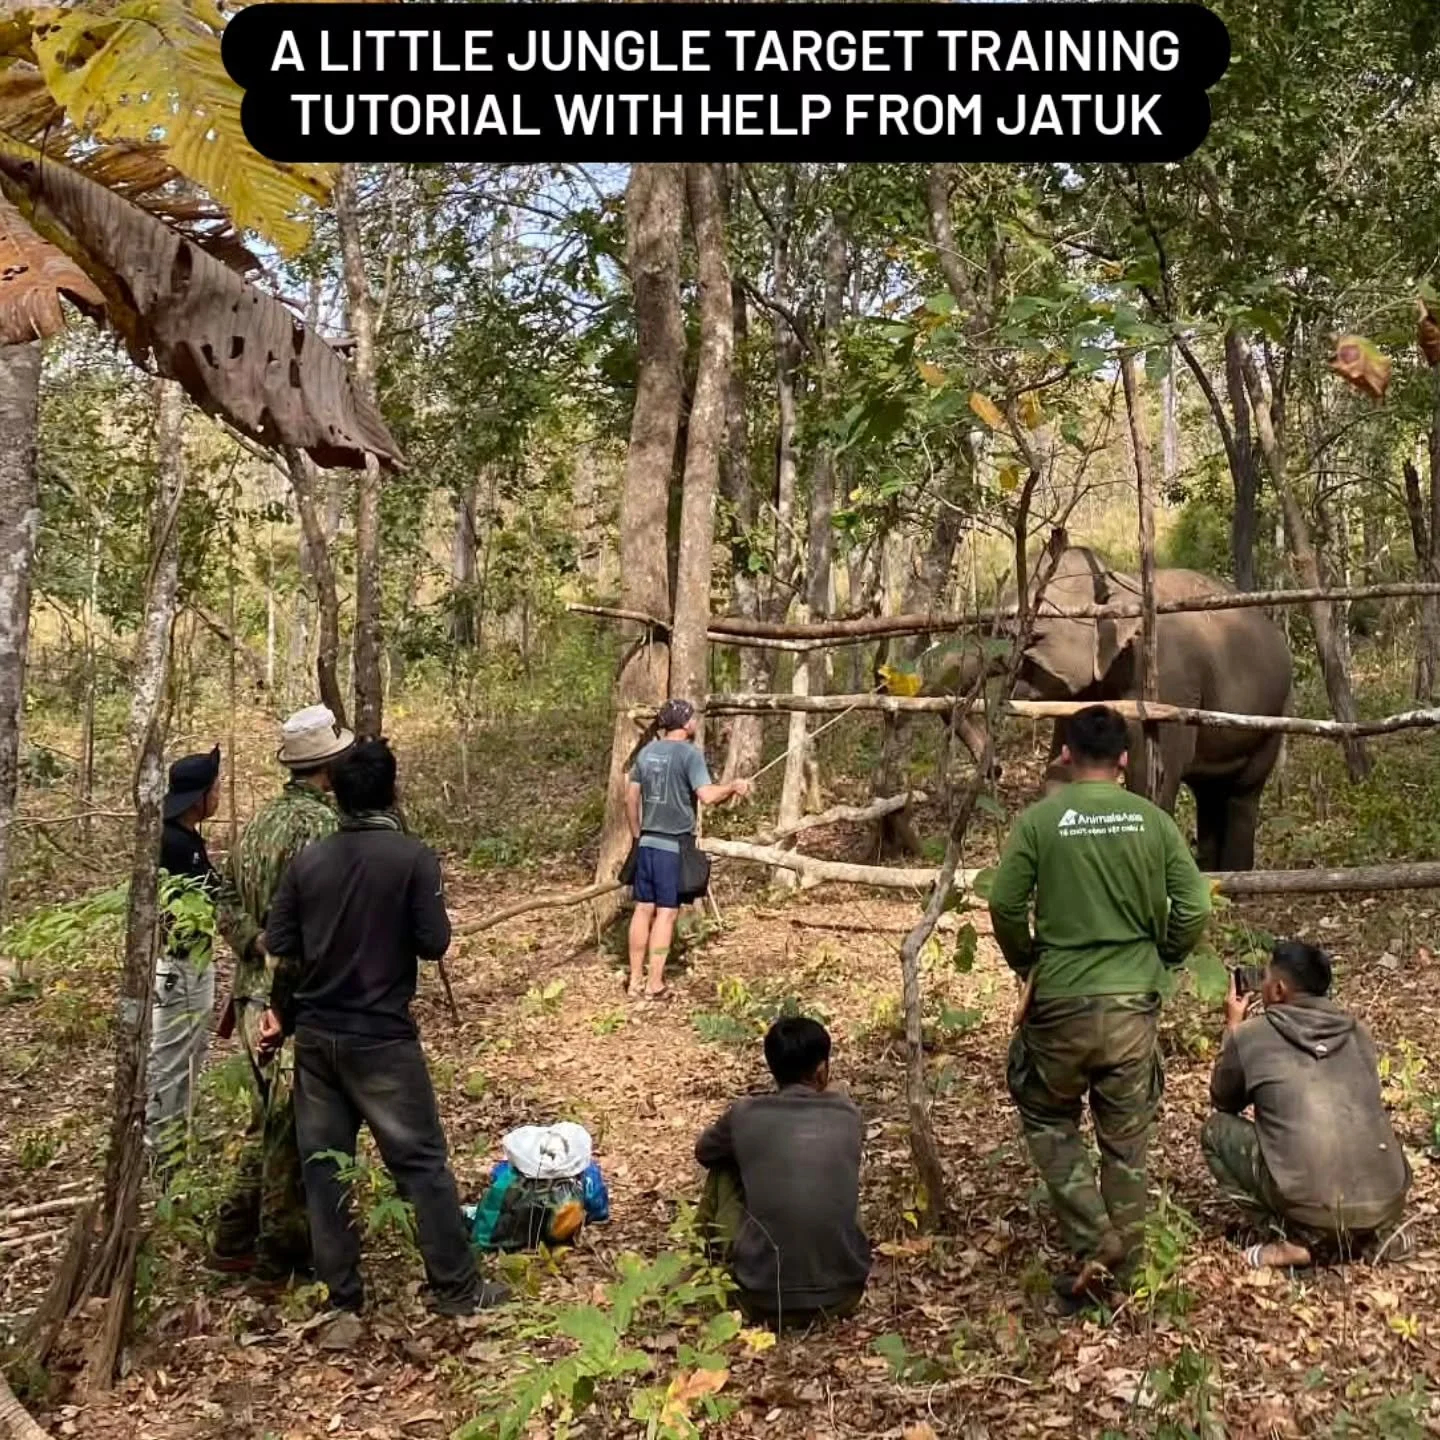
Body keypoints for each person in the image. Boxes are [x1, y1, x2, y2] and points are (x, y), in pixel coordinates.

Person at [262, 738, 507, 1322]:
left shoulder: (309, 862)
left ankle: (342, 1303)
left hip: (318, 1040)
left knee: (326, 1169)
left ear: (337, 794)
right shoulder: (412, 858)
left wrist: (283, 1015)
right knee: (420, 1166)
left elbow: (282, 948)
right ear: (392, 791)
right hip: (382, 1041)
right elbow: (435, 942)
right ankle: (457, 1289)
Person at [988, 704, 1212, 1307]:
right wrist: (1161, 958)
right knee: (1126, 1139)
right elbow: (1195, 907)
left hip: (1059, 1001)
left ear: (1065, 754)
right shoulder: (1153, 821)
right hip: (1132, 1006)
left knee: (1044, 1114)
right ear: (1124, 759)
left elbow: (1005, 906)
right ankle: (1129, 1276)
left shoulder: (1039, 821)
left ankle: (1094, 1235)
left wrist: (1028, 959)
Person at [209, 704, 353, 1280]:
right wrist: (278, 961)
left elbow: (222, 899)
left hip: (251, 994)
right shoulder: (322, 830)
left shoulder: (259, 823)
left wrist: (253, 943)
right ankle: (281, 1253)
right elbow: (319, 925)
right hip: (285, 1000)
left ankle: (232, 1237)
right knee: (291, 1129)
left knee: (268, 1120)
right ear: (328, 768)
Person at [1203, 940, 1412, 1271]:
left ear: (1280, 989)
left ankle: (1289, 1237)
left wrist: (1233, 1028)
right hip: (1388, 1199)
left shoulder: (1252, 1034)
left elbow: (1223, 1100)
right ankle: (1376, 1232)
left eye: (1266, 979)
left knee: (1216, 1131)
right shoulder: (1358, 1032)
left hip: (1310, 1204)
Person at [694, 1016, 871, 1329]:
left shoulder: (746, 1114)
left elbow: (704, 1152)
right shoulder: (848, 1114)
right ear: (821, 1071)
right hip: (844, 1294)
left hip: (759, 1296)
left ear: (773, 1068)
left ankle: (702, 1263)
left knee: (724, 1164)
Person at [626, 699, 750, 1000]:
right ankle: (655, 982)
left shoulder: (646, 753)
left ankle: (634, 981)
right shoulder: (689, 755)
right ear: (684, 723)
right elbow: (706, 796)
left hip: (647, 844)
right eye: (692, 717)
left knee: (643, 909)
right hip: (671, 846)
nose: (695, 721)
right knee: (666, 913)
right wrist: (733, 786)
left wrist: (637, 835)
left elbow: (629, 798)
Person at [146, 745, 223, 1169]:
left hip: (192, 965)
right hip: (180, 967)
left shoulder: (185, 838)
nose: (219, 795)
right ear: (199, 798)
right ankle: (164, 1157)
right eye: (216, 789)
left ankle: (175, 1144)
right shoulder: (174, 844)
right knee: (173, 1062)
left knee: (186, 1058)